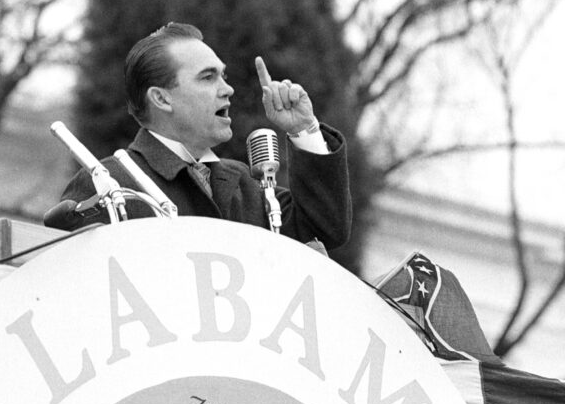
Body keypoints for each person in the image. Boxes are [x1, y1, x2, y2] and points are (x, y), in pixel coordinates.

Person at [48, 22, 352, 251]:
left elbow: (325, 229)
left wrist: (304, 128)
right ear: (162, 99)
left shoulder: (247, 187)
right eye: (208, 77)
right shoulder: (106, 183)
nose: (227, 89)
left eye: (224, 76)